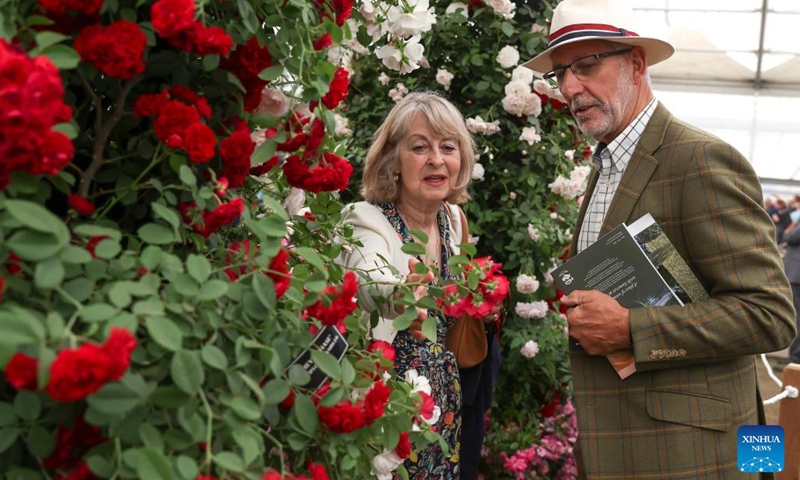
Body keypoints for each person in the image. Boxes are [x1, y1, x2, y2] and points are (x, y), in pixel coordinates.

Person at [522, 0, 797, 479]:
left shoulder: (700, 159)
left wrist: (633, 329)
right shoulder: (607, 164)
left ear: (636, 63)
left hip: (693, 457)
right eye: (560, 73)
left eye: (586, 66)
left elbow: (770, 316)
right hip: (630, 446)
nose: (568, 87)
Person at [340, 91, 499, 479]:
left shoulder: (454, 220)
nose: (436, 159)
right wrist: (400, 295)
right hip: (388, 416)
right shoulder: (366, 220)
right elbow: (368, 280)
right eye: (419, 147)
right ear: (392, 159)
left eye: (448, 146)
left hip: (444, 409)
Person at [782, 214, 800, 365]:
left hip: (797, 276)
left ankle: (795, 359)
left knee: (797, 318)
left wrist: (791, 225)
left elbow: (790, 236)